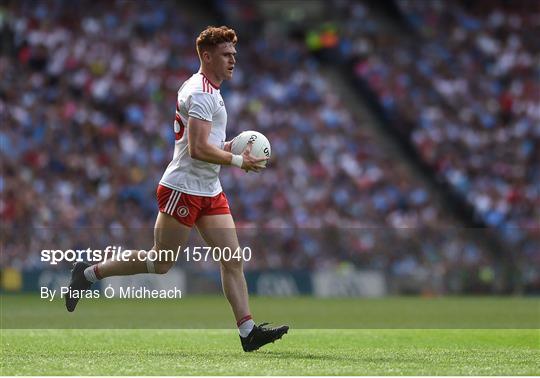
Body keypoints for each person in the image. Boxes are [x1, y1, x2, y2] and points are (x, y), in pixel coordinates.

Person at [65, 25, 288, 352]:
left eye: (234, 55)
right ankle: (88, 273)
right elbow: (197, 149)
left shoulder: (211, 90)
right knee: (160, 263)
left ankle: (248, 331)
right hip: (183, 189)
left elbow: (204, 144)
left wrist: (233, 149)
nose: (232, 61)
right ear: (207, 56)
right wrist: (239, 162)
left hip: (209, 188)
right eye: (226, 55)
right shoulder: (199, 92)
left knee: (232, 258)